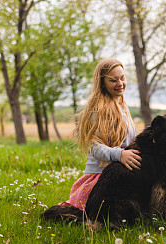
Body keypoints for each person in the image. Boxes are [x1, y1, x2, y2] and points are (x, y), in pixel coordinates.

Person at [60, 58, 141, 210]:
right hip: (100, 177)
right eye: (113, 80)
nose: (120, 83)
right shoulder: (98, 109)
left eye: (122, 78)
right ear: (102, 82)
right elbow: (95, 148)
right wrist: (120, 155)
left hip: (120, 173)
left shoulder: (123, 106)